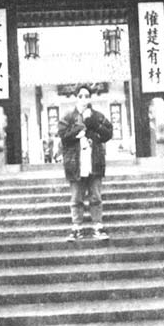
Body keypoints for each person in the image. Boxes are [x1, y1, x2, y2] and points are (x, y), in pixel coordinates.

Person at [58, 84, 113, 242]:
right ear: (76, 98)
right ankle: (77, 227)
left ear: (90, 98)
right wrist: (79, 127)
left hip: (94, 160)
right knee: (76, 198)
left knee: (96, 196)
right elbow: (63, 136)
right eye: (80, 96)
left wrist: (94, 123)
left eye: (86, 96)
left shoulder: (98, 116)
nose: (83, 99)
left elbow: (108, 134)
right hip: (75, 162)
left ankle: (98, 226)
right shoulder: (68, 117)